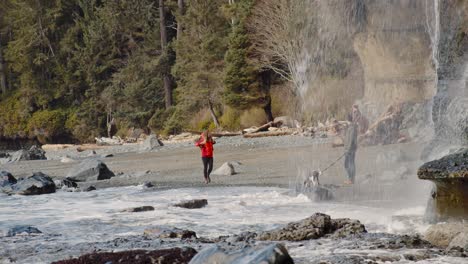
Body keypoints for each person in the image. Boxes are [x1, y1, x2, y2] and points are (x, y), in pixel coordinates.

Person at [344, 112, 358, 184]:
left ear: (347, 120)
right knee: (346, 164)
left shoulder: (352, 128)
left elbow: (351, 139)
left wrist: (348, 149)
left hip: (351, 150)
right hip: (348, 150)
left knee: (350, 164)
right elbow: (346, 139)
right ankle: (351, 178)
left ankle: (351, 179)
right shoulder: (349, 127)